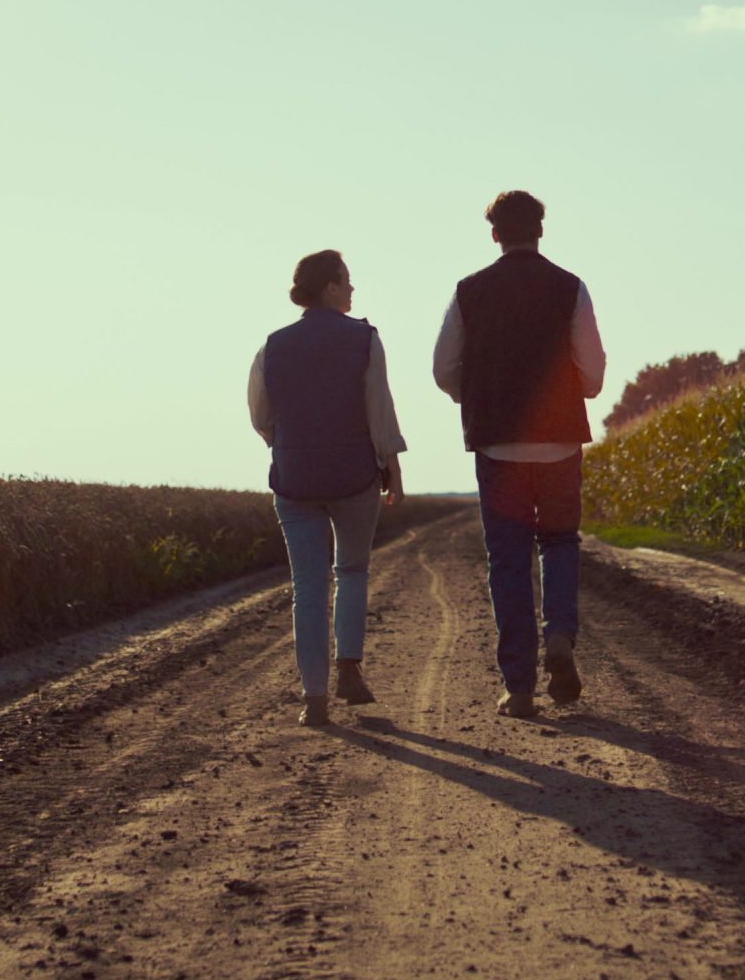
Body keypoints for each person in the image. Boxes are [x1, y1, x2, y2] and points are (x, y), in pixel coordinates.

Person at [431, 191, 605, 718]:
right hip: (559, 443)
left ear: (494, 235)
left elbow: (443, 369)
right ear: (541, 231)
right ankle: (560, 637)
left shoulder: (469, 292)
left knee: (507, 559)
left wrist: (477, 396)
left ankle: (519, 686)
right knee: (558, 543)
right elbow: (593, 372)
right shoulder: (569, 287)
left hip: (498, 444)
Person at [250, 249, 408, 727]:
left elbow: (260, 412)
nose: (354, 289)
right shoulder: (364, 338)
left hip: (294, 477)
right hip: (353, 474)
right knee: (353, 571)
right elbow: (378, 407)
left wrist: (288, 443)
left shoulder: (273, 345)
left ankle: (313, 698)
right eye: (348, 280)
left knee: (308, 588)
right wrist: (391, 464)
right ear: (331, 288)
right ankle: (349, 670)